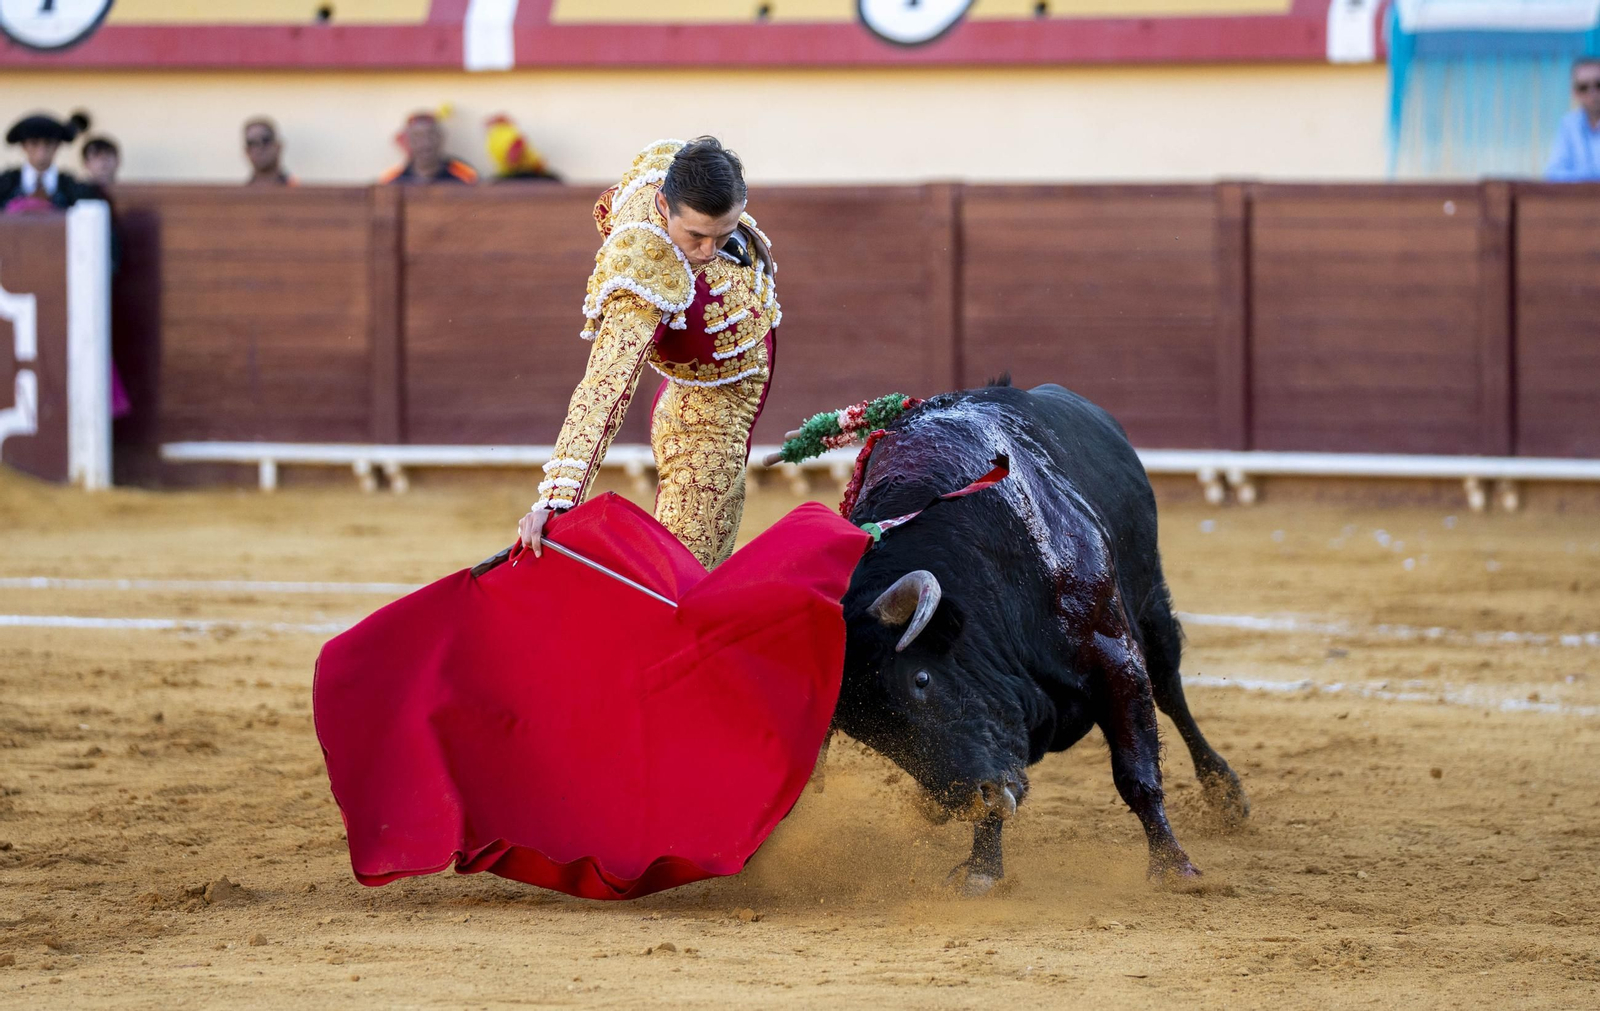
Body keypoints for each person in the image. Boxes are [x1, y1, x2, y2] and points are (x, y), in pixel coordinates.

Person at [518, 137, 780, 570]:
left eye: (724, 234)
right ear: (662, 205)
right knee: (686, 582)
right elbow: (606, 382)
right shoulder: (645, 276)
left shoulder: (673, 167)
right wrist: (559, 499)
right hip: (705, 419)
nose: (707, 252)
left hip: (714, 392)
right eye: (695, 235)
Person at [0, 111, 103, 212]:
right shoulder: (4, 185)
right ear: (23, 146)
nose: (41, 150)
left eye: (48, 143)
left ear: (57, 146)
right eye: (34, 143)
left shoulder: (74, 189)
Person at [380, 112, 478, 185]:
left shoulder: (466, 175)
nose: (425, 143)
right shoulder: (391, 179)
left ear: (441, 137)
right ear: (406, 140)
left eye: (431, 135)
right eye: (417, 136)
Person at [1546, 56, 1600, 181]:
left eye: (1598, 85)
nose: (1592, 93)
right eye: (1584, 87)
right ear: (1575, 92)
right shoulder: (1569, 124)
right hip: (1579, 199)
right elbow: (1553, 173)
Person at [243, 117, 294, 186]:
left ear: (278, 146)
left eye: (265, 140)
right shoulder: (241, 194)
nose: (259, 148)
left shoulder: (296, 190)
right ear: (247, 151)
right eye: (252, 143)